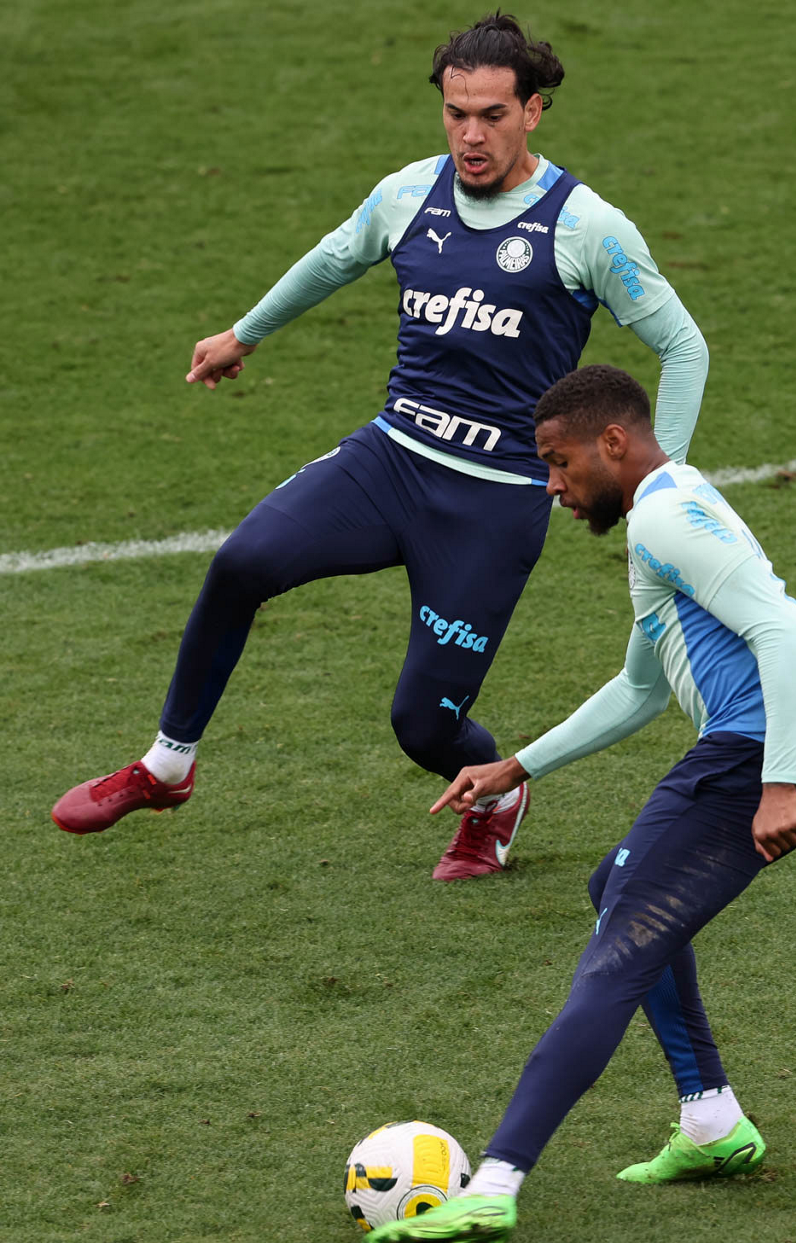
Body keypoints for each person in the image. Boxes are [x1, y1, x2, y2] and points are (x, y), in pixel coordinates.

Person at [50, 14, 709, 879]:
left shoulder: (587, 227)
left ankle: (497, 794)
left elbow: (683, 347)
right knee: (242, 562)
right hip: (389, 461)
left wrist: (660, 488)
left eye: (492, 115)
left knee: (422, 727)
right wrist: (243, 334)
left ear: (532, 111)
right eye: (455, 113)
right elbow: (333, 259)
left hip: (491, 502)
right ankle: (168, 764)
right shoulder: (408, 194)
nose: (471, 136)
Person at [361, 364, 796, 1243]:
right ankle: (711, 1120)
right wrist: (514, 765)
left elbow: (782, 635)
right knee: (614, 891)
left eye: (558, 463)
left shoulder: (666, 520)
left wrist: (777, 782)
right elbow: (639, 690)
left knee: (615, 956)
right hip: (786, 750)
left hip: (766, 754)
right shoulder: (662, 518)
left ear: (612, 442)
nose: (551, 485)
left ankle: (493, 1187)